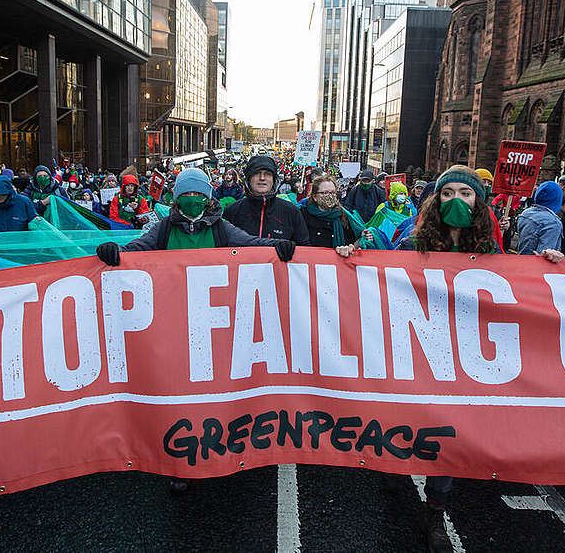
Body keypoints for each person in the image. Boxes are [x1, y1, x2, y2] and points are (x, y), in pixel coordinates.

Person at [95, 168, 297, 496]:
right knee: (179, 394)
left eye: (199, 196)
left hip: (214, 326)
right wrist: (115, 254)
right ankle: (182, 461)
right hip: (173, 325)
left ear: (209, 197)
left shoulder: (221, 227)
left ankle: (215, 449)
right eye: (186, 196)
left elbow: (251, 245)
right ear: (176, 200)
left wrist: (279, 247)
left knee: (212, 390)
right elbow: (139, 248)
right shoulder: (163, 228)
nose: (193, 201)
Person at [392, 166, 563, 552]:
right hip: (419, 346)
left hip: (464, 352)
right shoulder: (412, 244)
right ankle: (397, 465)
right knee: (411, 419)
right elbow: (375, 275)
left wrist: (547, 263)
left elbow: (516, 283)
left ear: (478, 202)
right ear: (437, 200)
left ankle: (435, 509)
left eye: (465, 194)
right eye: (448, 192)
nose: (456, 200)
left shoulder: (490, 249)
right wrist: (350, 255)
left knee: (448, 432)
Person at [223, 155, 309, 244]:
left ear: (274, 180)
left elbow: (304, 247)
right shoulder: (232, 211)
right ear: (248, 179)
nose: (262, 178)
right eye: (256, 173)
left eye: (267, 174)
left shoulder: (291, 211)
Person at [301, 175, 364, 253]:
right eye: (325, 193)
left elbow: (357, 239)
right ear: (315, 197)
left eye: (333, 192)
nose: (330, 196)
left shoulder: (344, 215)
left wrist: (351, 247)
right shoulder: (302, 215)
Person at [515, 181, 565, 259]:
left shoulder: (526, 213)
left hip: (521, 260)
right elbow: (545, 255)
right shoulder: (553, 222)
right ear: (557, 199)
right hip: (536, 267)